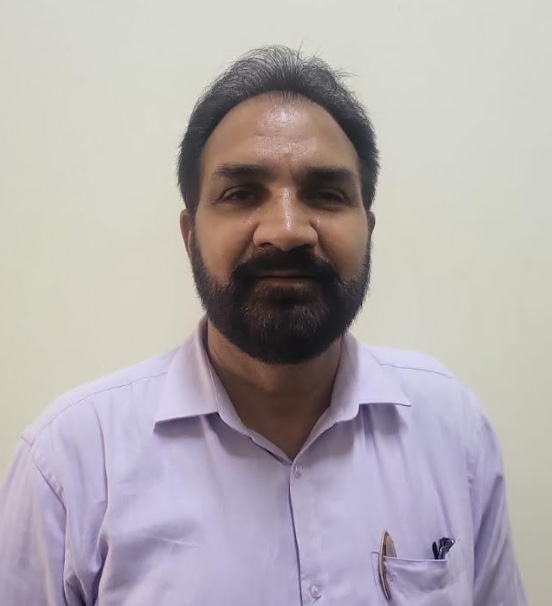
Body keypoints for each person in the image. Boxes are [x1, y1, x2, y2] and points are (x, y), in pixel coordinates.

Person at [0, 46, 526, 606]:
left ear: (368, 230)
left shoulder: (452, 430)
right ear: (190, 236)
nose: (287, 229)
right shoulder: (72, 463)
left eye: (326, 194)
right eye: (242, 193)